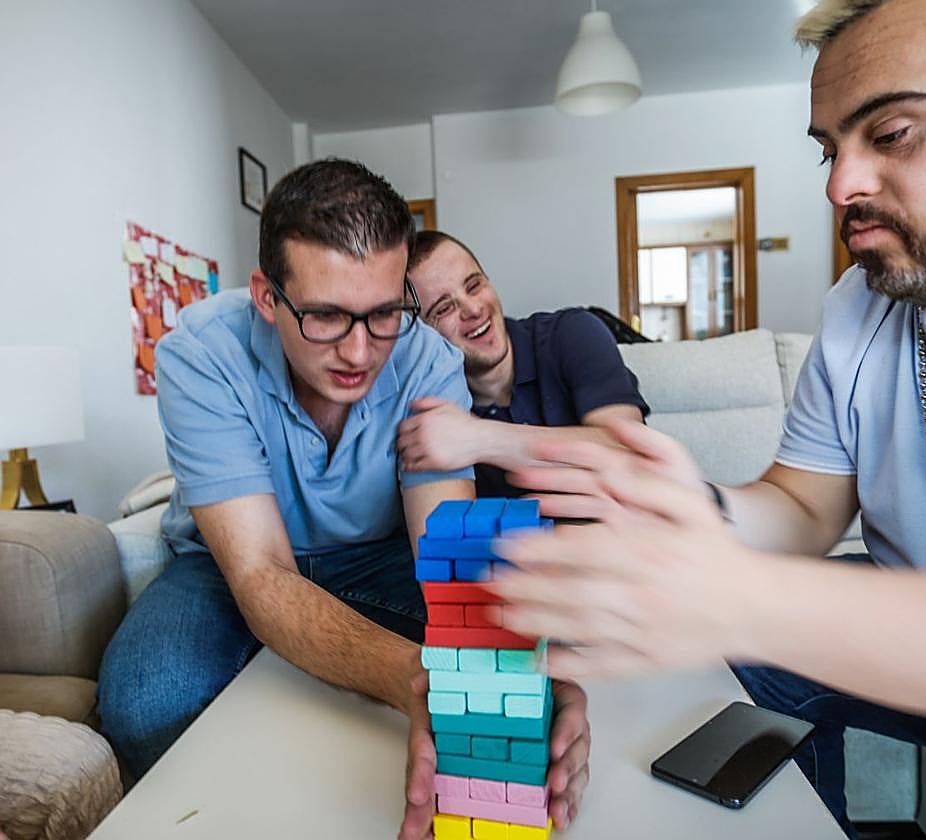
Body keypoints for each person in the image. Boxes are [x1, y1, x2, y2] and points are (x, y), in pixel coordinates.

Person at [487, 1, 926, 837]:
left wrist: (729, 594)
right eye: (829, 149)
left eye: (890, 133)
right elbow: (803, 508)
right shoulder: (866, 303)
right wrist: (697, 508)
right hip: (923, 621)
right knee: (740, 651)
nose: (838, 186)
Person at [97, 160, 588, 835]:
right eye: (326, 316)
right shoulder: (200, 355)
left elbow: (445, 548)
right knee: (147, 697)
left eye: (384, 313)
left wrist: (515, 680)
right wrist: (419, 680)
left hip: (374, 557)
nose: (360, 351)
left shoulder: (424, 358)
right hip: (230, 562)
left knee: (520, 644)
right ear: (268, 297)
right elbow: (261, 572)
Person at [399, 230, 649, 499]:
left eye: (474, 286)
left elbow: (632, 453)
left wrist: (479, 438)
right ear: (419, 335)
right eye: (444, 308)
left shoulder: (573, 331)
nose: (473, 309)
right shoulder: (427, 400)